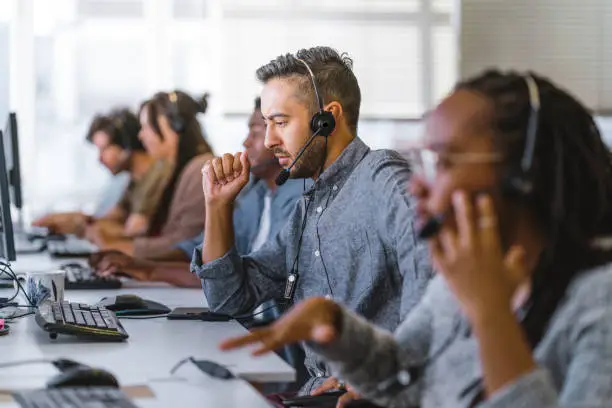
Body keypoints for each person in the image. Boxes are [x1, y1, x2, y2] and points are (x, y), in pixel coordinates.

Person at [220, 70, 612, 408]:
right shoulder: (459, 282)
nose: (419, 184)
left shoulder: (597, 303)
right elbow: (402, 368)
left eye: (442, 161)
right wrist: (337, 329)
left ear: (523, 174)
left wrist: (492, 317)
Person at [192, 46, 432, 398]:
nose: (270, 140)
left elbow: (433, 282)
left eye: (281, 122)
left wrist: (387, 375)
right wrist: (217, 206)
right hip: (319, 392)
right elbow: (229, 297)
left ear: (327, 119)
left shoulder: (383, 178)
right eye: (267, 124)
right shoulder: (307, 211)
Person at [90, 97, 306, 288]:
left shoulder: (297, 197)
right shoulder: (256, 193)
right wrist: (140, 266)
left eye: (256, 132)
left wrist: (145, 267)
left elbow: (243, 276)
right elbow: (198, 249)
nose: (245, 142)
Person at [90, 91, 214, 258]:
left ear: (172, 127)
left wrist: (118, 247)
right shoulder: (173, 170)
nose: (141, 136)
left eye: (146, 127)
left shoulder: (201, 170)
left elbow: (185, 243)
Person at [33, 108, 163, 237]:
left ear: (126, 147)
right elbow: (110, 219)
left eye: (104, 149)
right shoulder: (134, 181)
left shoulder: (155, 177)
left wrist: (82, 227)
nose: (99, 159)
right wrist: (68, 219)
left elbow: (131, 231)